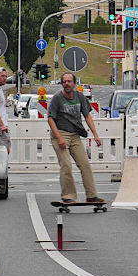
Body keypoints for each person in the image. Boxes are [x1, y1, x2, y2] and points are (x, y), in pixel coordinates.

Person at [47, 72, 104, 204]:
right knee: (66, 165)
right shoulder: (57, 98)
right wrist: (59, 137)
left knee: (85, 165)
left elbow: (87, 116)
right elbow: (50, 118)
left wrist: (95, 134)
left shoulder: (80, 96)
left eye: (69, 81)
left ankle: (92, 195)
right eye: (64, 82)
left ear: (74, 83)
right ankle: (68, 196)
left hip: (75, 135)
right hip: (60, 134)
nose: (67, 84)